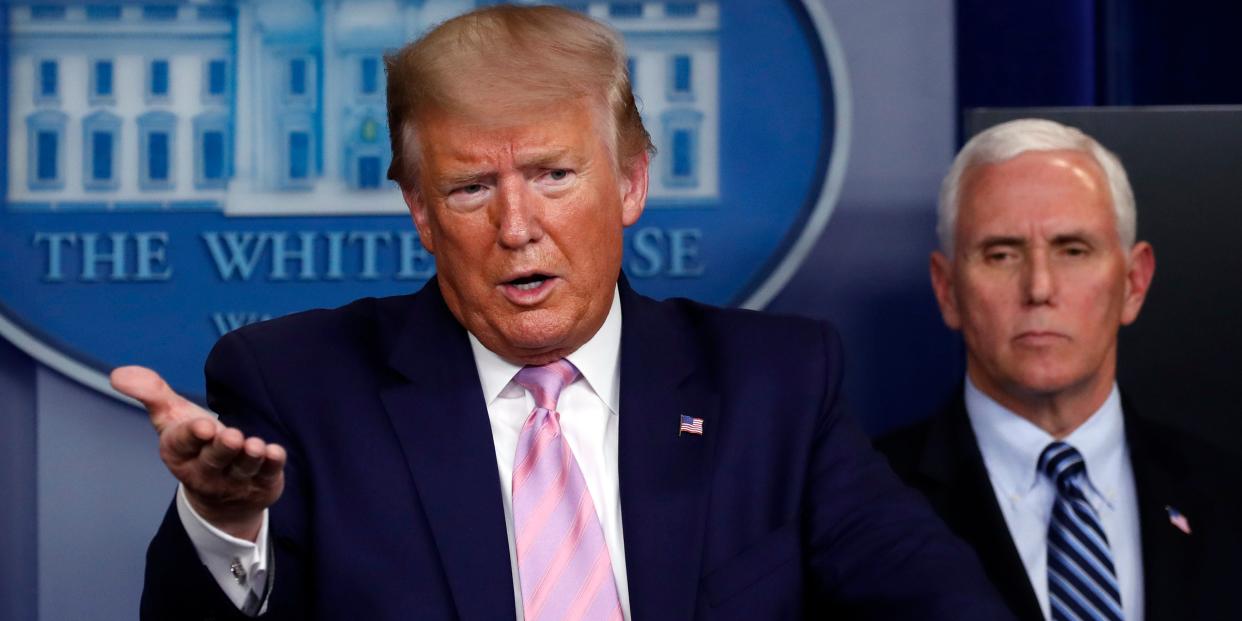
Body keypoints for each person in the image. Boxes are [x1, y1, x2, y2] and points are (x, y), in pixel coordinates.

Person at [113, 6, 1010, 620]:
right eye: (470, 188)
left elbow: (940, 600)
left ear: (630, 181)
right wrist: (226, 525)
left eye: (552, 175)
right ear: (421, 213)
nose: (517, 227)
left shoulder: (775, 385)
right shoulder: (299, 388)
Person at [875, 118, 1242, 621]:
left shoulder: (1227, 495)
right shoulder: (866, 503)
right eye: (1001, 254)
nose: (1040, 287)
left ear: (1134, 283)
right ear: (947, 290)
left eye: (1073, 250)